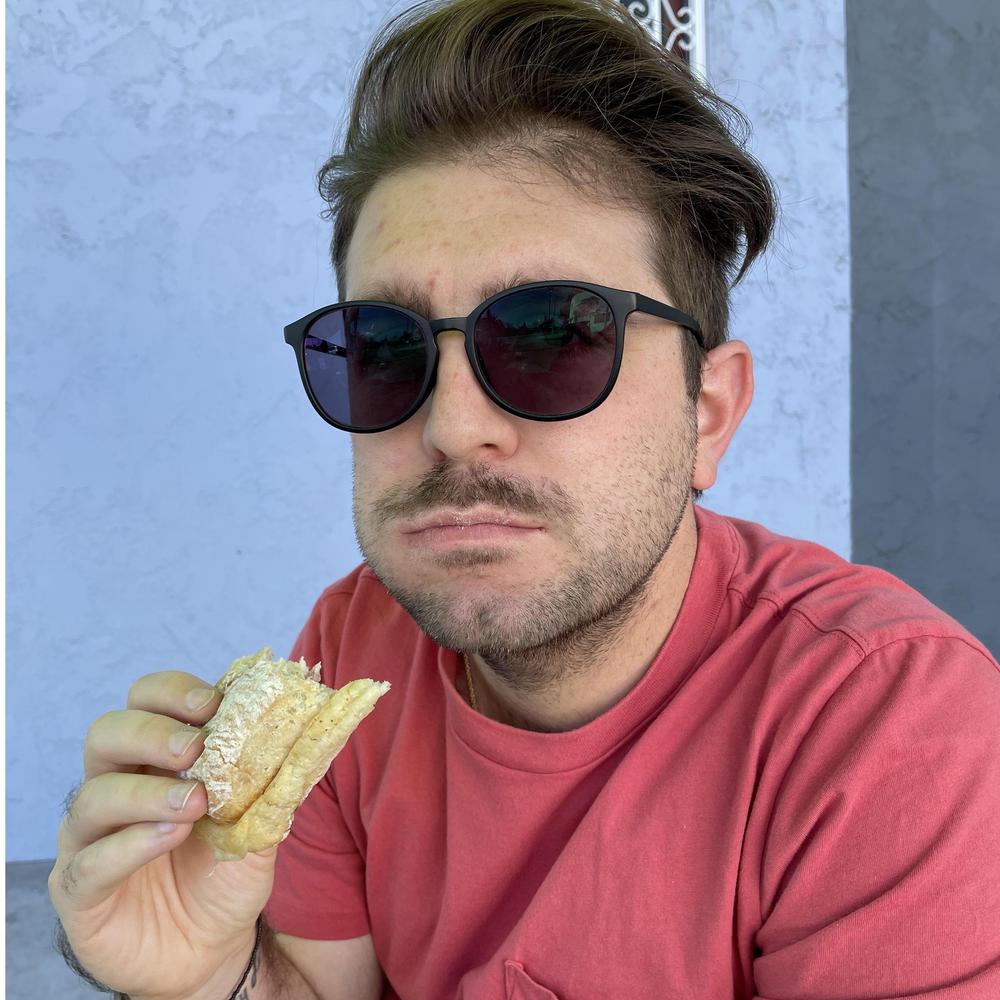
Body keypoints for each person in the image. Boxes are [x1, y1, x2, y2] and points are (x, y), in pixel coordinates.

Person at [49, 0, 1000, 997]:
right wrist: (208, 977)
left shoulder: (890, 730)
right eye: (383, 350)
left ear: (707, 414)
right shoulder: (351, 645)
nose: (452, 426)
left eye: (555, 336)